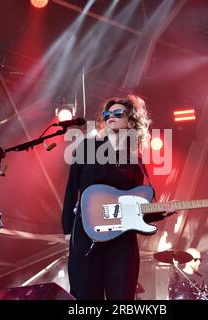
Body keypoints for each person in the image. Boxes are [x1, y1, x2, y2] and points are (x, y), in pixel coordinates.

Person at [61, 94, 173, 300]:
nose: (110, 116)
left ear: (130, 121)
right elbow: (71, 190)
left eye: (118, 113)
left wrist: (160, 212)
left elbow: (138, 203)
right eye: (107, 113)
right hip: (87, 235)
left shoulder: (135, 159)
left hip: (121, 241)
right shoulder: (87, 147)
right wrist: (68, 228)